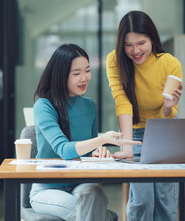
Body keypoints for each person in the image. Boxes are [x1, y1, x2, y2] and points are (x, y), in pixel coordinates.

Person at [30, 43, 141, 221]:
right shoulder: (44, 106)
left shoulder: (89, 106)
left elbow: (86, 153)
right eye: (76, 73)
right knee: (92, 212)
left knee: (94, 192)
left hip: (79, 184)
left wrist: (99, 152)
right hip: (47, 189)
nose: (84, 78)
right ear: (60, 75)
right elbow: (64, 150)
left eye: (87, 71)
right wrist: (102, 139)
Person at [106, 11, 184, 221]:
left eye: (141, 43)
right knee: (142, 199)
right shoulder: (114, 60)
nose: (135, 50)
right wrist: (128, 147)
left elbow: (168, 113)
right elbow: (122, 101)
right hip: (135, 134)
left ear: (152, 38)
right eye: (128, 44)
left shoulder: (170, 63)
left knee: (164, 200)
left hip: (164, 132)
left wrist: (168, 107)